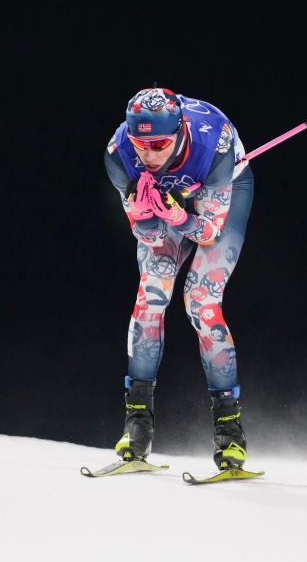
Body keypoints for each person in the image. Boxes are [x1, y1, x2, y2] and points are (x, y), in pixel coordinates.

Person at [103, 87, 254, 472]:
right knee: (152, 293)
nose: (149, 155)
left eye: (159, 145)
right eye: (142, 145)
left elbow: (209, 232)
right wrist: (144, 217)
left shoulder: (212, 143)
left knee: (201, 301)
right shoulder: (120, 154)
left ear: (180, 131)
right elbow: (152, 239)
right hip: (172, 199)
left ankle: (229, 431)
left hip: (222, 189)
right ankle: (137, 426)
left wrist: (178, 216)